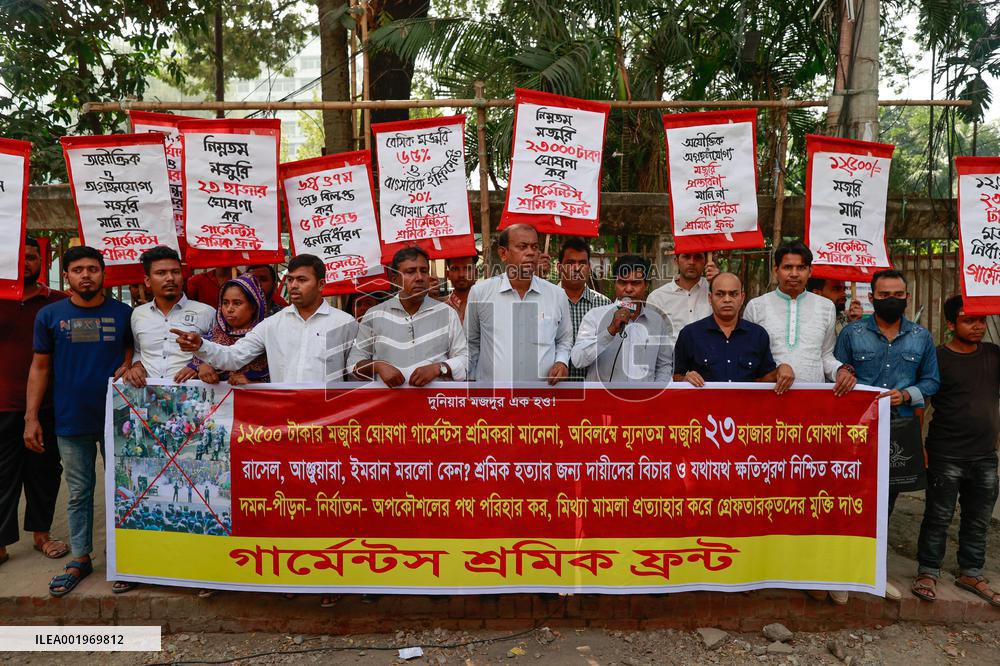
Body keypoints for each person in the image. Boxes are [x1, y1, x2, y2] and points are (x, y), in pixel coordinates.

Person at [25, 246, 134, 596]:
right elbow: (39, 367)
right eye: (77, 269)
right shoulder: (49, 315)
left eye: (92, 268)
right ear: (67, 276)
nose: (85, 275)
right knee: (79, 492)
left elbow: (135, 354)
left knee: (125, 492)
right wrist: (31, 417)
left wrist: (129, 363)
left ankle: (125, 560)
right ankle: (81, 558)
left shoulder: (125, 314)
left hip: (119, 420)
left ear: (104, 274)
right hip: (70, 418)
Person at [834, 269, 939, 601]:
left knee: (886, 504)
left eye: (897, 294)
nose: (891, 300)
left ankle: (873, 573)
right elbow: (836, 370)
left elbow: (932, 381)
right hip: (857, 431)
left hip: (899, 431)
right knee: (851, 500)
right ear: (872, 298)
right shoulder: (852, 333)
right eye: (883, 295)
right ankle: (840, 576)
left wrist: (907, 394)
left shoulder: (921, 337)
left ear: (906, 297)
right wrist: (844, 373)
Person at [911, 296, 999, 606]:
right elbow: (922, 403)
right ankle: (928, 571)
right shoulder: (938, 358)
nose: (977, 326)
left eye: (981, 320)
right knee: (938, 516)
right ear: (951, 324)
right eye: (968, 320)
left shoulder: (993, 354)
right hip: (945, 453)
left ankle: (971, 572)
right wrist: (919, 446)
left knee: (978, 519)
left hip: (985, 455)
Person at [175, 254, 358, 384]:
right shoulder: (273, 324)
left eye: (302, 280)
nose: (293, 285)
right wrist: (201, 346)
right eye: (290, 279)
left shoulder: (344, 323)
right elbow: (233, 357)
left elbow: (356, 375)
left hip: (330, 420)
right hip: (285, 420)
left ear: (321, 284)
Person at [0, 237, 68, 566]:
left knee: (44, 471)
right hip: (2, 403)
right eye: (19, 257)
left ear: (43, 261)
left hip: (48, 404)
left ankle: (42, 534)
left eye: (32, 257)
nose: (26, 262)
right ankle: (0, 542)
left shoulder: (58, 302)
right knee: (2, 473)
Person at [744, 241, 856, 396]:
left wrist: (840, 370)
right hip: (767, 397)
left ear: (810, 271)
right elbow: (749, 360)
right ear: (776, 270)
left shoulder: (826, 307)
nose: (794, 274)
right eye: (787, 267)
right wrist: (774, 372)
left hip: (812, 398)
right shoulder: (756, 307)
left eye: (801, 267)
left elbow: (825, 356)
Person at [465, 224, 572, 384]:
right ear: (503, 253)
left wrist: (561, 362)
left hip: (542, 399)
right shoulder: (480, 293)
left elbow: (564, 340)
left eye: (535, 247)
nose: (530, 253)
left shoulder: (557, 295)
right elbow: (470, 343)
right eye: (522, 247)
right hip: (493, 400)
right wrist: (472, 386)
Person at [349, 247, 467, 386]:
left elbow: (465, 360)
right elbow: (353, 364)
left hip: (435, 403)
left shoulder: (447, 313)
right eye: (410, 272)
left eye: (423, 271)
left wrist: (438, 368)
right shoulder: (375, 315)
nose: (419, 278)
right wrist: (377, 366)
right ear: (395, 279)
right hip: (387, 404)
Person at [571, 255, 672, 383]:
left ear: (646, 285)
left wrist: (655, 394)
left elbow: (664, 365)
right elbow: (577, 360)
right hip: (603, 400)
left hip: (643, 401)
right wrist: (610, 331)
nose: (628, 289)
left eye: (635, 283)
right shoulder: (595, 316)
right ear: (615, 284)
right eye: (623, 282)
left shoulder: (656, 322)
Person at [673, 272, 783, 386]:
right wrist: (685, 379)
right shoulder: (690, 334)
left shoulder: (758, 335)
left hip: (747, 403)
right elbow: (675, 376)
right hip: (705, 403)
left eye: (733, 294)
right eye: (720, 294)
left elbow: (766, 381)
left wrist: (781, 370)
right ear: (710, 298)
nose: (727, 299)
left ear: (742, 298)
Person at [125, 246, 215, 385]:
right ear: (148, 280)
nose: (170, 278)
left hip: (193, 399)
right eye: (161, 273)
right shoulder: (138, 314)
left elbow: (220, 352)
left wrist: (200, 365)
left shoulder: (207, 312)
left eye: (175, 272)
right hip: (149, 398)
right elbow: (139, 350)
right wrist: (137, 366)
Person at [185, 274, 270, 385]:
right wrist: (202, 366)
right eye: (225, 303)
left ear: (253, 306)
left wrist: (252, 384)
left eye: (237, 303)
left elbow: (280, 378)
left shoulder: (265, 336)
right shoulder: (213, 336)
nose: (229, 309)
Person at [558, 237, 612, 381]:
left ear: (588, 267)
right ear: (559, 267)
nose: (576, 268)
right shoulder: (547, 301)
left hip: (593, 391)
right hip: (553, 389)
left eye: (582, 263)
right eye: (570, 263)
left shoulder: (603, 304)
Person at [646, 251, 719, 343]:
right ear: (676, 261)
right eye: (686, 256)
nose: (692, 262)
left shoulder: (717, 291)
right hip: (672, 356)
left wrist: (719, 282)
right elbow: (651, 339)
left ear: (705, 262)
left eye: (698, 257)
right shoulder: (657, 298)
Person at [444, 254, 478, 324]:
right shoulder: (441, 307)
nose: (461, 274)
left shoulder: (485, 305)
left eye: (467, 268)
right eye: (455, 268)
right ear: (447, 274)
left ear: (476, 273)